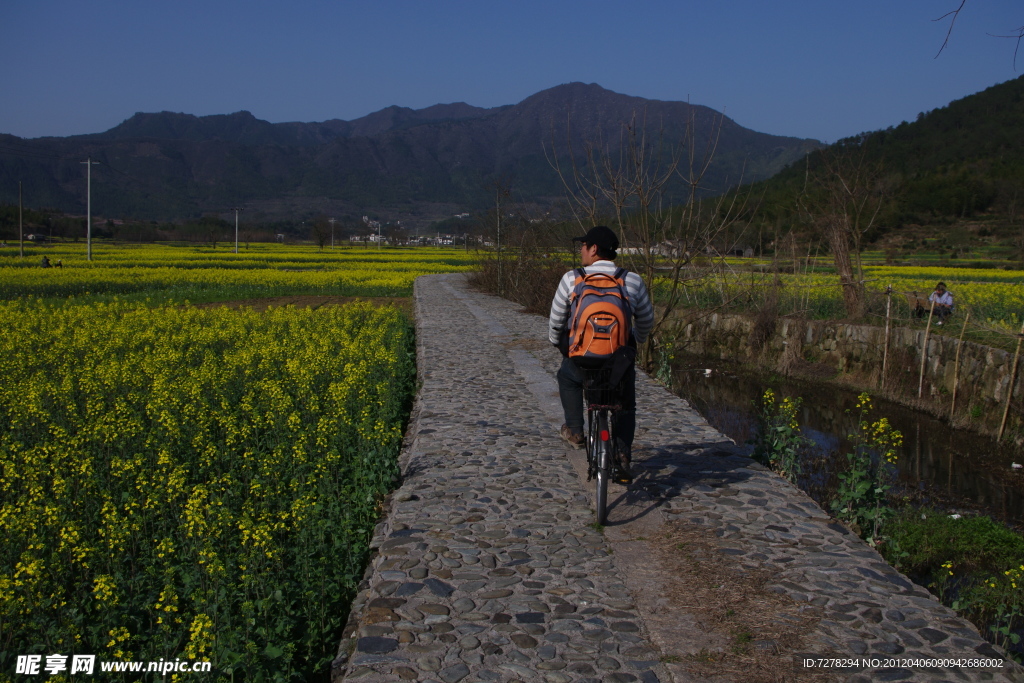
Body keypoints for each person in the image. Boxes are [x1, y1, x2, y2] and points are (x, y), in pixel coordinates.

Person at [548, 225, 654, 482]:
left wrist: (558, 343)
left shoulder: (571, 278)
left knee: (567, 377)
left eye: (583, 246)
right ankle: (622, 453)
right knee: (626, 402)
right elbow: (646, 321)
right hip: (618, 360)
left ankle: (575, 431)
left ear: (593, 249)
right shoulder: (633, 280)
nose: (581, 250)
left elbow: (556, 321)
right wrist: (635, 342)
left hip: (583, 358)